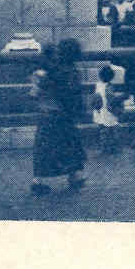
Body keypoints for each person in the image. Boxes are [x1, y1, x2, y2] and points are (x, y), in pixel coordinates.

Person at [30, 39, 87, 194]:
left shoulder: (47, 71)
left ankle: (38, 181)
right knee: (70, 146)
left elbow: (34, 93)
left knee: (44, 148)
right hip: (62, 114)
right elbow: (73, 95)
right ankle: (74, 175)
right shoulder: (72, 72)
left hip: (46, 114)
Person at [91, 64, 124, 154]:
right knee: (112, 130)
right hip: (107, 111)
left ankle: (104, 147)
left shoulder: (98, 85)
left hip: (99, 110)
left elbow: (96, 97)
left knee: (102, 130)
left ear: (100, 75)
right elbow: (111, 98)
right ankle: (113, 147)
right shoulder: (109, 86)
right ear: (111, 77)